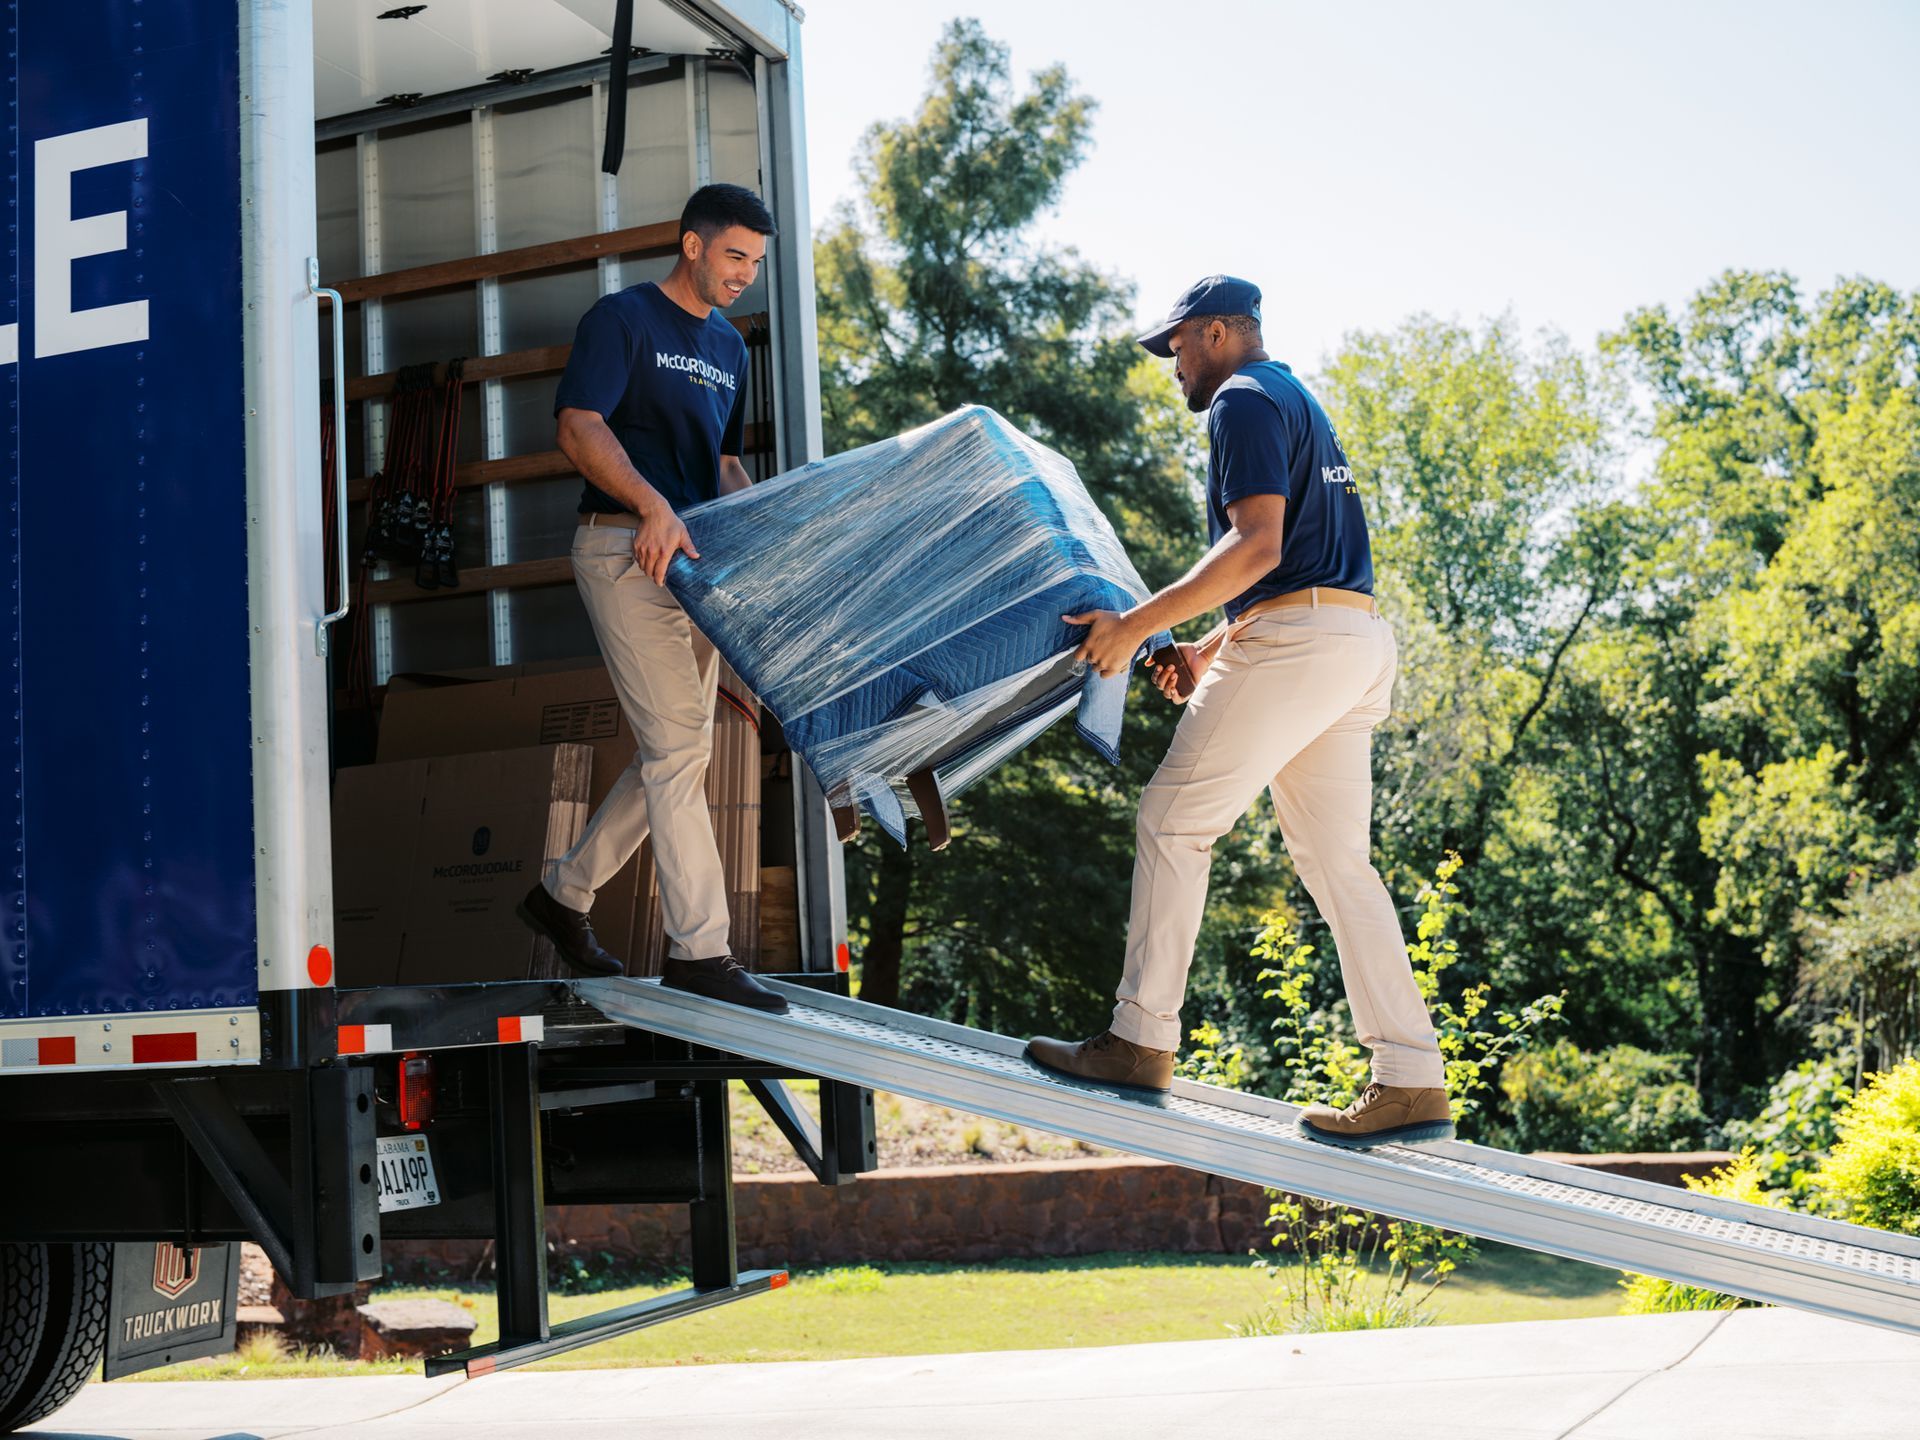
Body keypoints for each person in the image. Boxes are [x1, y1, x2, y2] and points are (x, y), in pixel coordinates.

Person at [1025, 276, 1451, 1146]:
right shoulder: (1298, 399)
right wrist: (1206, 651)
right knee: (1339, 865)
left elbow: (1256, 546)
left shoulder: (1242, 403)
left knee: (1173, 820)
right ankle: (1411, 1076)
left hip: (1300, 648)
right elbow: (1299, 565)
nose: (1172, 364)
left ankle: (1140, 1038)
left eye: (1178, 345)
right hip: (1352, 641)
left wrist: (1136, 628)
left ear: (1218, 333)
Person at [515, 183, 785, 1014]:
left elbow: (724, 466)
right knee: (677, 752)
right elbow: (578, 424)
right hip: (621, 549)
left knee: (677, 752)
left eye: (757, 263)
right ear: (692, 244)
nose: (745, 275)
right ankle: (700, 950)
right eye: (735, 256)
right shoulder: (623, 318)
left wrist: (766, 527)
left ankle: (562, 896)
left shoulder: (732, 349)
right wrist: (651, 505)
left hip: (694, 568)